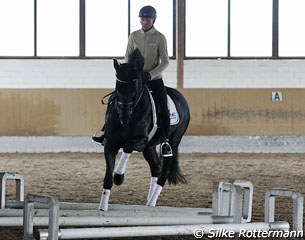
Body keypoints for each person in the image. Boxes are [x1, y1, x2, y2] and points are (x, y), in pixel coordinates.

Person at [92, 5, 172, 157]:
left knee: (163, 105)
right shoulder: (134, 36)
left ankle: (165, 142)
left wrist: (151, 74)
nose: (145, 21)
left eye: (147, 19)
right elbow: (127, 57)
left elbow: (165, 61)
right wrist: (129, 73)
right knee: (115, 99)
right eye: (142, 19)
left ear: (153, 20)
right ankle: (105, 132)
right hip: (134, 79)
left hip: (153, 79)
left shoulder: (160, 37)